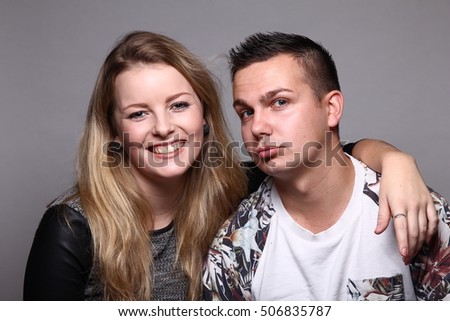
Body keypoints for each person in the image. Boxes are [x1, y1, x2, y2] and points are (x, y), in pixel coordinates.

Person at [23, 31, 436, 301]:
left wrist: (394, 160)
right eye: (137, 114)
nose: (164, 128)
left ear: (203, 116)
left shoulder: (237, 184)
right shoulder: (71, 229)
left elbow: (320, 154)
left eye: (179, 105)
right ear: (113, 132)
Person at [202, 32, 450, 301]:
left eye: (280, 102)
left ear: (331, 108)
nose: (257, 127)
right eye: (246, 112)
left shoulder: (414, 209)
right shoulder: (234, 247)